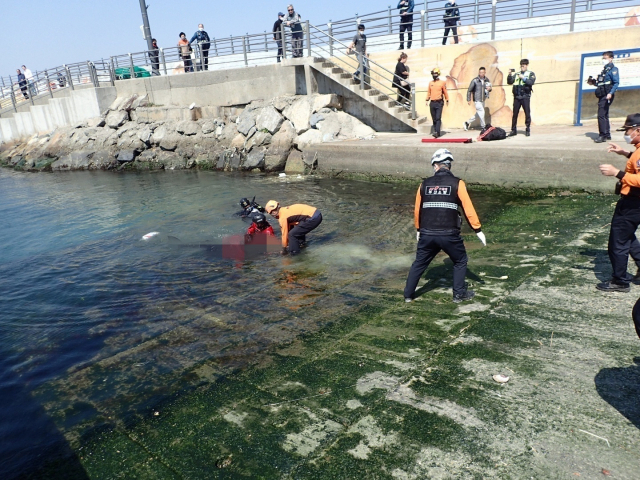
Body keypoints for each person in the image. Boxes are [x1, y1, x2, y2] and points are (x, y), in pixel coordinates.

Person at [404, 148, 486, 304]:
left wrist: (418, 229)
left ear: (435, 166)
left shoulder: (424, 184)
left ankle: (408, 294)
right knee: (460, 260)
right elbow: (468, 209)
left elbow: (417, 210)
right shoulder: (458, 183)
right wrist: (478, 229)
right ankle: (459, 295)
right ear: (449, 165)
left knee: (419, 263)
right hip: (449, 235)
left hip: (427, 234)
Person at [597, 114, 640, 292]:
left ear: (638, 130)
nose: (627, 133)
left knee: (618, 242)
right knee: (628, 237)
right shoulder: (638, 149)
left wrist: (617, 173)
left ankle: (620, 281)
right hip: (634, 203)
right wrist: (624, 152)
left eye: (628, 130)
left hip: (633, 203)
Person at [593, 51, 620, 144]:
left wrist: (611, 93)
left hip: (607, 94)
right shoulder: (605, 70)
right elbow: (601, 84)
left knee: (601, 115)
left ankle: (602, 135)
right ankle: (607, 134)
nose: (604, 60)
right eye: (603, 58)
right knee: (604, 115)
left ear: (611, 58)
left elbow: (616, 83)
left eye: (605, 58)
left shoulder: (613, 69)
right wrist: (593, 83)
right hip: (602, 94)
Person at [507, 59, 535, 137]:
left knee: (527, 113)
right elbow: (510, 82)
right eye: (521, 65)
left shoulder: (530, 73)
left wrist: (523, 78)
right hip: (517, 97)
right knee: (515, 114)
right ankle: (513, 130)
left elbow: (531, 82)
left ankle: (527, 129)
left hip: (525, 96)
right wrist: (509, 75)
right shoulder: (517, 74)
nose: (522, 67)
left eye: (524, 65)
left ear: (527, 65)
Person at [464, 67, 492, 131]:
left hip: (483, 100)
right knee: (482, 112)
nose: (481, 73)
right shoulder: (475, 80)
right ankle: (483, 127)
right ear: (478, 73)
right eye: (480, 72)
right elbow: (469, 90)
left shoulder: (486, 80)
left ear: (485, 72)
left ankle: (467, 123)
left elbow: (489, 88)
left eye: (483, 72)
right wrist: (469, 99)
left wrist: (490, 89)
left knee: (478, 114)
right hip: (477, 100)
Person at [426, 67, 448, 138]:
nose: (434, 75)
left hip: (439, 102)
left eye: (435, 73)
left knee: (438, 118)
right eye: (433, 73)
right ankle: (436, 130)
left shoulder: (442, 83)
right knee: (434, 118)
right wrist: (427, 99)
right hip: (432, 102)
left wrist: (447, 99)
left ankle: (437, 132)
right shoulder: (430, 83)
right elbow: (429, 92)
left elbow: (445, 92)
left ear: (438, 74)